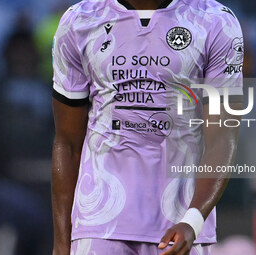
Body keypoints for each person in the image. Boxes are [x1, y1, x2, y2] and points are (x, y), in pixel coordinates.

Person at [51, 0, 244, 254]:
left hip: (182, 227)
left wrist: (194, 221)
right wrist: (61, 244)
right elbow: (67, 143)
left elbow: (221, 136)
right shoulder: (79, 20)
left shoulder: (215, 21)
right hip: (98, 226)